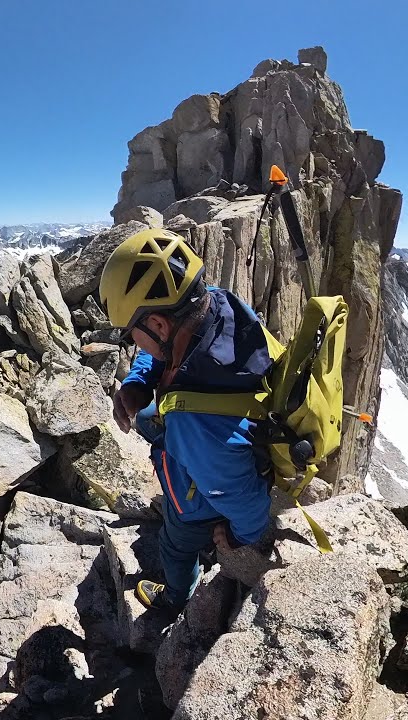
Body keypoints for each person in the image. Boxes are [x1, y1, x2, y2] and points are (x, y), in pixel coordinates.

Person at [98, 228, 275, 614]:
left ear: (159, 325)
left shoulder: (195, 423)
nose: (134, 343)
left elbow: (246, 503)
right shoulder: (214, 303)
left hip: (196, 498)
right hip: (219, 430)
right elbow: (163, 348)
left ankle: (176, 598)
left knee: (174, 545)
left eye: (132, 334)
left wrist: (236, 535)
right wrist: (138, 381)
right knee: (148, 417)